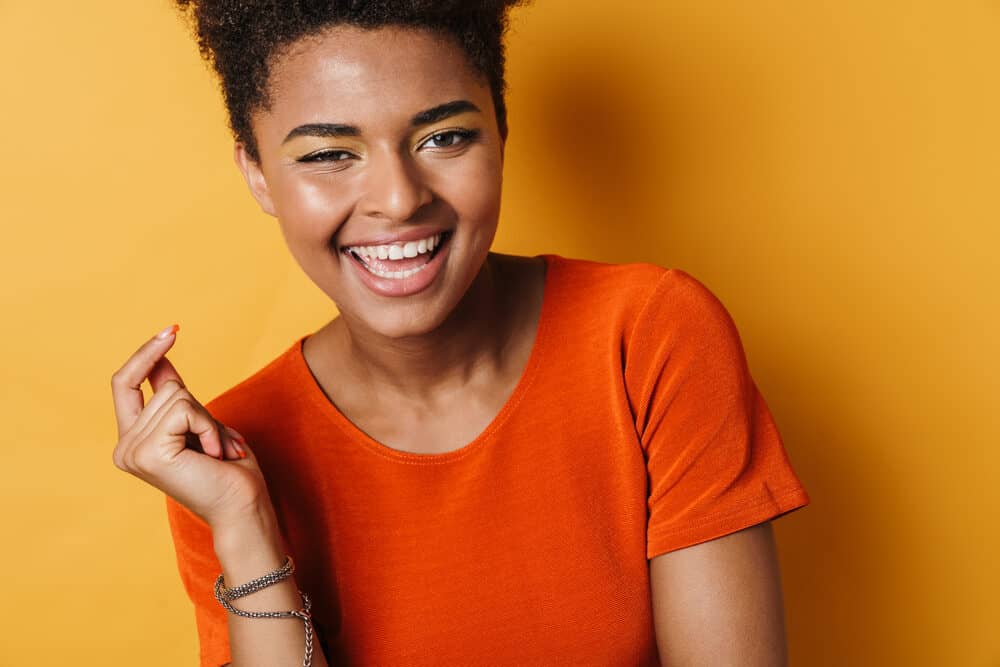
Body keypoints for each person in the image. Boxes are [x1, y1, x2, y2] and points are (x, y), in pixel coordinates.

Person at [110, 2, 810, 665]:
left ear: (501, 131)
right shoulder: (227, 456)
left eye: (443, 137)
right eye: (329, 154)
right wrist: (245, 525)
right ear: (258, 175)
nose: (399, 197)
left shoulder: (650, 335)